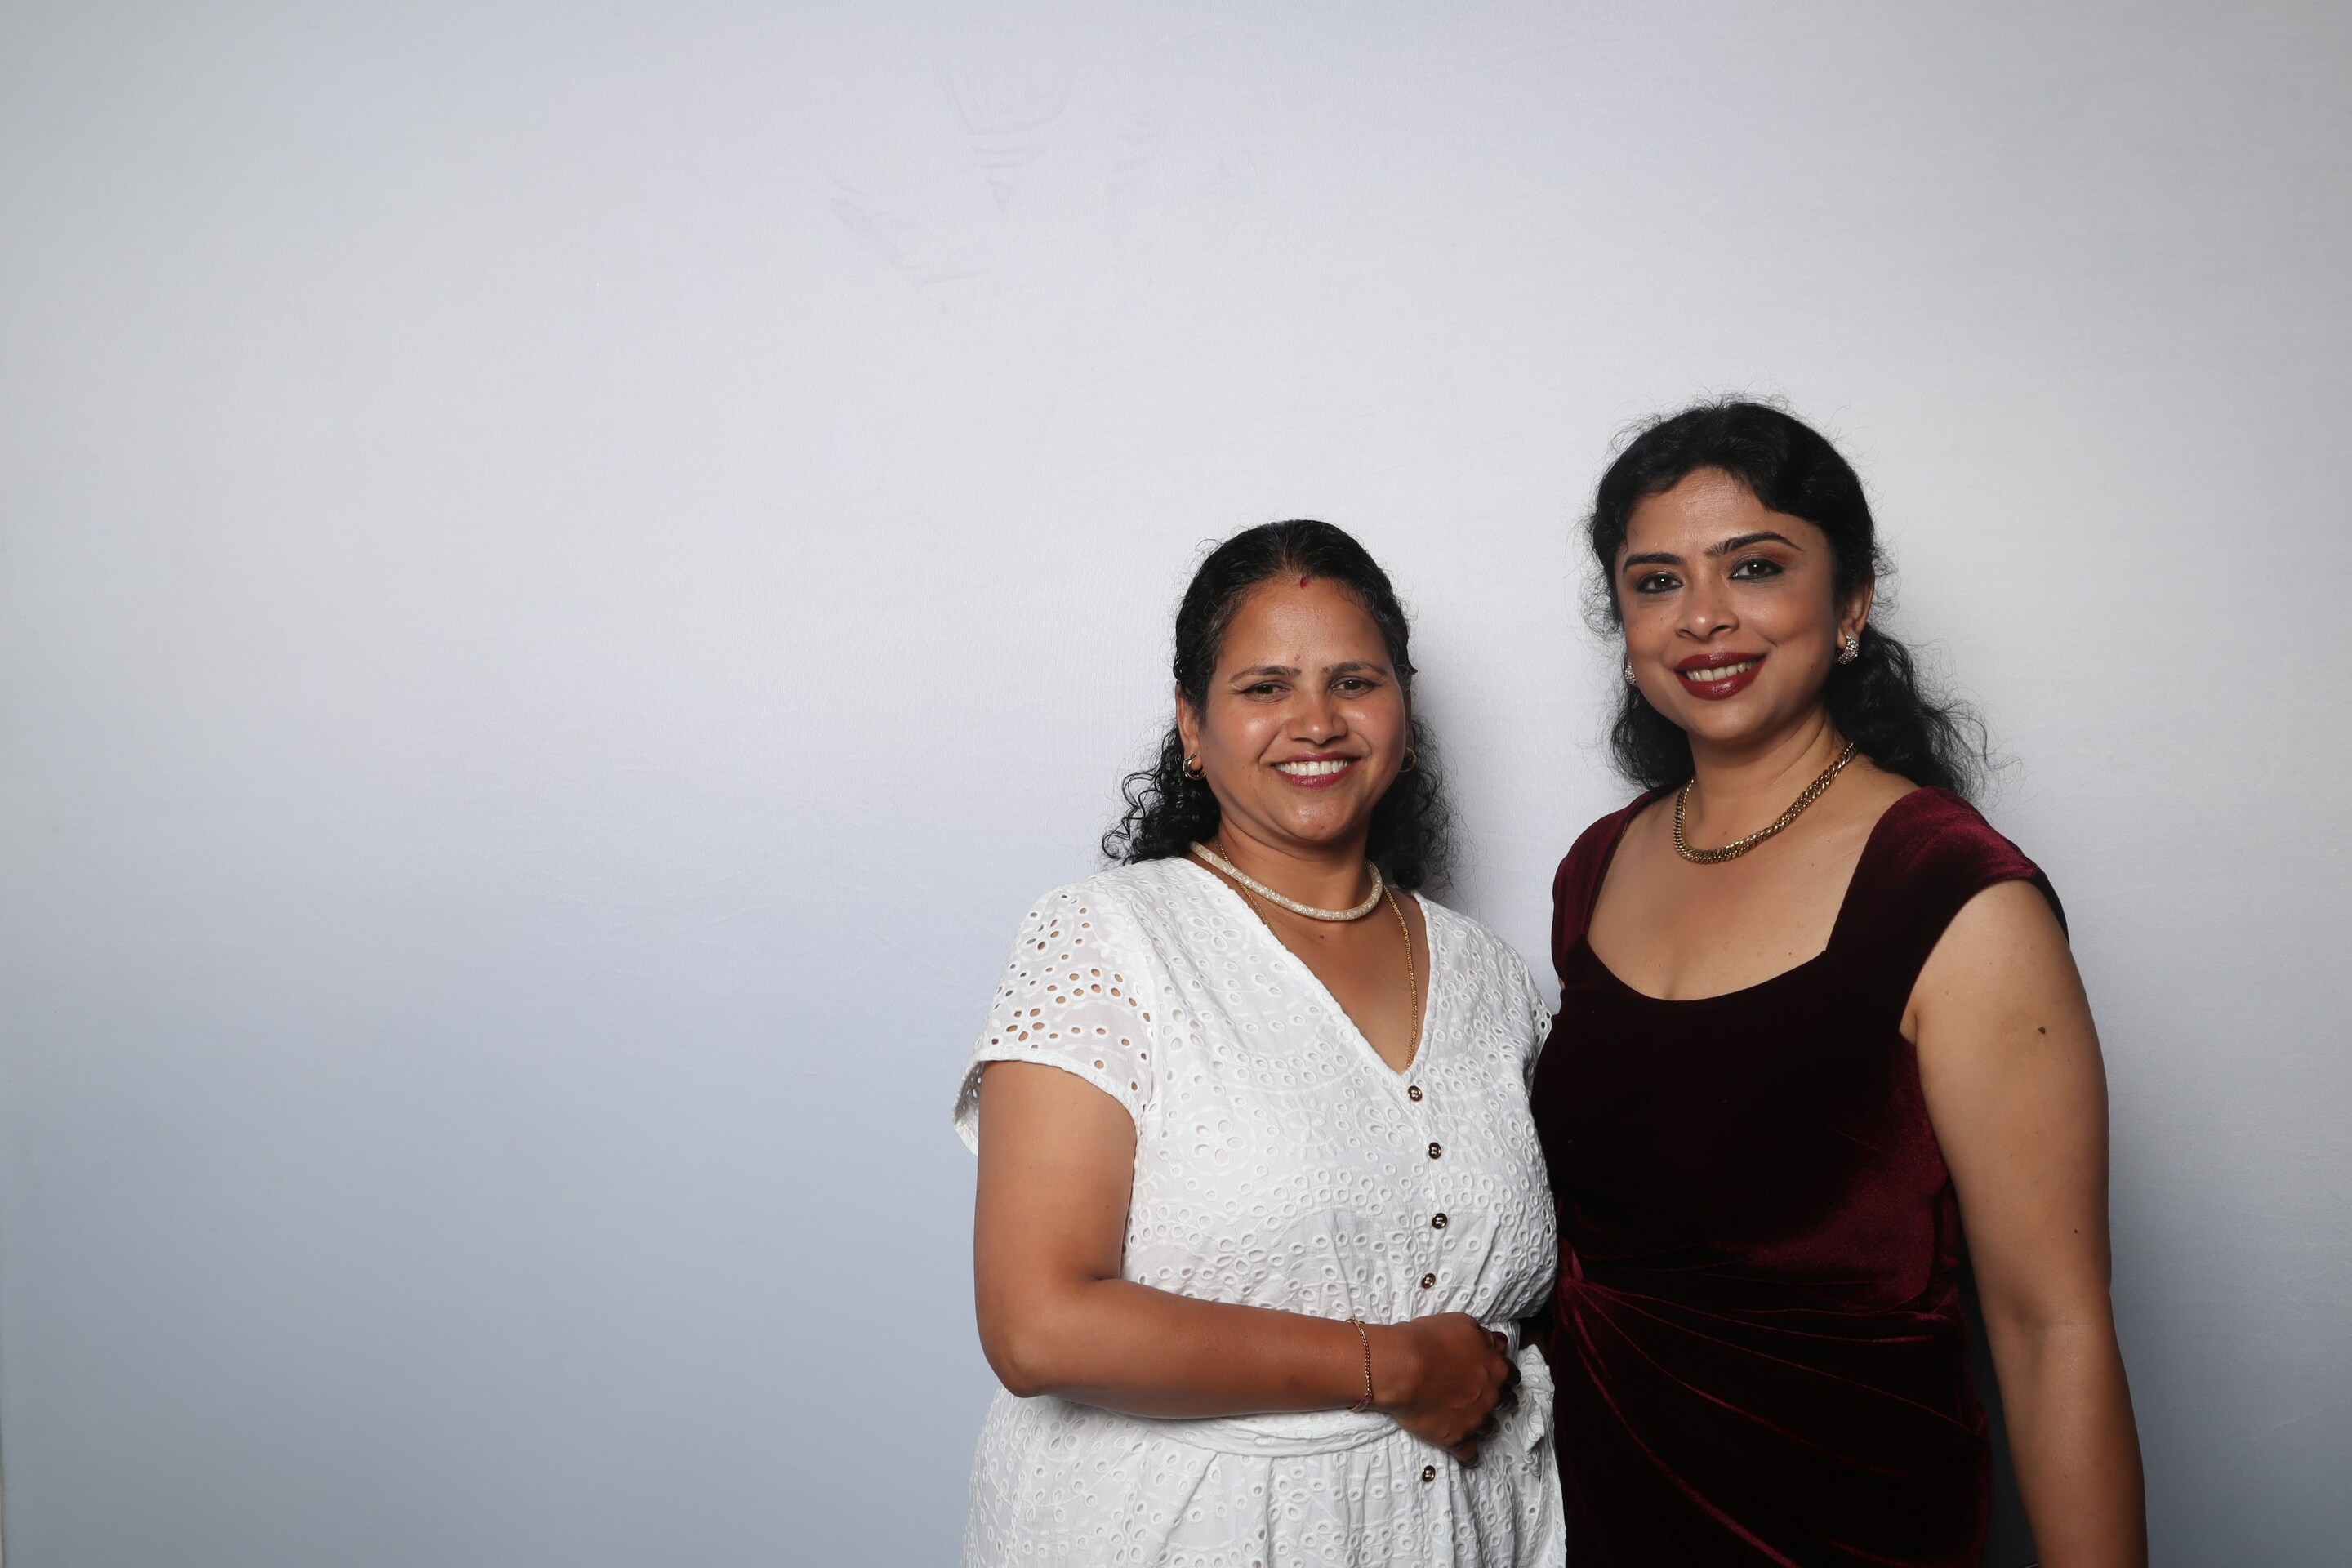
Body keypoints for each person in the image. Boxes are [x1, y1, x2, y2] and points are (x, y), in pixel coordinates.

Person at [1532, 400, 2146, 1566]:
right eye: (1657, 582)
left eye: (1754, 567)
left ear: (1852, 602)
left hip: (1845, 1528)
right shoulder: (1598, 869)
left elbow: (2050, 1329)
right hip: (1600, 1524)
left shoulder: (1954, 894)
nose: (1703, 616)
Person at [954, 520, 1563, 1567]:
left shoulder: (1493, 981)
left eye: (1354, 682)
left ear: (1404, 713)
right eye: (1265, 687)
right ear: (1192, 726)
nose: (1316, 721)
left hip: (1461, 1533)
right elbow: (1037, 1327)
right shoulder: (1104, 940)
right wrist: (1392, 1368)